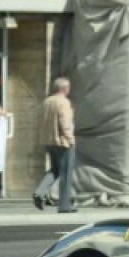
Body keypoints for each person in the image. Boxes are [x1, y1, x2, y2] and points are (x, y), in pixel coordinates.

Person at [33, 76, 77, 213]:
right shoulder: (63, 102)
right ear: (64, 89)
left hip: (49, 141)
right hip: (63, 142)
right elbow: (65, 123)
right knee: (66, 173)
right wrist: (71, 139)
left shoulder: (47, 101)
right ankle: (64, 205)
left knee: (55, 170)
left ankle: (39, 192)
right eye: (68, 88)